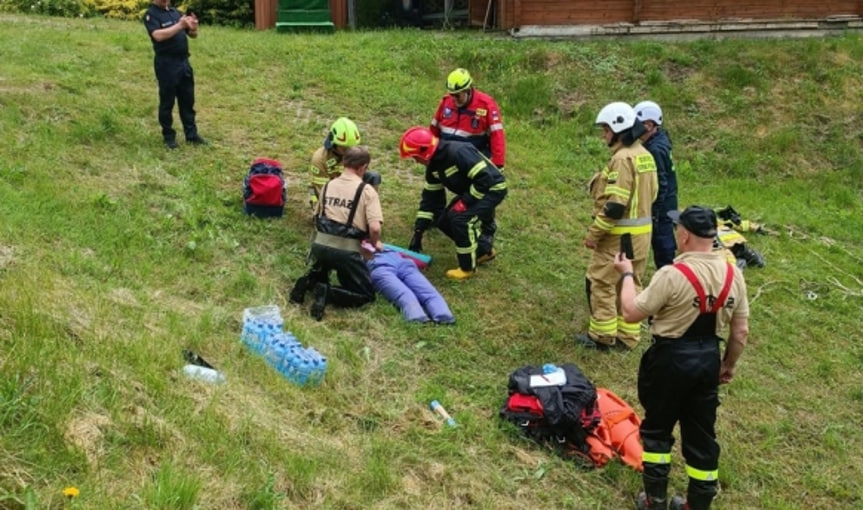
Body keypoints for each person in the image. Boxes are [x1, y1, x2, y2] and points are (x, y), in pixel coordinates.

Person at [614, 205, 749, 510]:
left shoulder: (672, 275)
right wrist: (727, 365)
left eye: (678, 228)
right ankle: (696, 505)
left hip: (669, 360)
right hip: (707, 361)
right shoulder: (733, 274)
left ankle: (654, 500)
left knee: (657, 430)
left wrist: (626, 276)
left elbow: (631, 312)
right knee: (702, 436)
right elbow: (740, 332)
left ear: (685, 235)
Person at [575, 102, 657, 351]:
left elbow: (614, 206)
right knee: (630, 281)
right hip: (642, 235)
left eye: (606, 130)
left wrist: (593, 234)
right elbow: (652, 195)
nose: (604, 135)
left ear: (619, 130)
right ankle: (628, 336)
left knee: (601, 281)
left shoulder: (622, 160)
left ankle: (602, 336)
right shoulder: (645, 156)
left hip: (619, 236)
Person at [399, 126, 507, 280]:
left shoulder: (458, 153)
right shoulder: (433, 167)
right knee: (444, 221)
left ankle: (467, 268)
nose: (416, 161)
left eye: (415, 157)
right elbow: (430, 198)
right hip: (472, 189)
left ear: (425, 151)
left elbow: (485, 179)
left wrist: (465, 202)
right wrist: (419, 230)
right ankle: (484, 251)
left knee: (460, 220)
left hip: (491, 189)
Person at [289, 146, 383, 321]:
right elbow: (375, 228)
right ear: (363, 168)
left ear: (344, 163)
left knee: (325, 269)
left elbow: (317, 215)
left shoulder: (327, 185)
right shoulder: (367, 191)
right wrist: (375, 244)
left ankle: (308, 282)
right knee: (365, 295)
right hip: (346, 252)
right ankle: (327, 292)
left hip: (320, 245)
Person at [430, 68, 506, 262]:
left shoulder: (486, 104)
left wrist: (498, 164)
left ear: (469, 89)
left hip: (475, 159)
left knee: (481, 192)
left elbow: (497, 135)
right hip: (450, 158)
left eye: (458, 95)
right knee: (452, 189)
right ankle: (442, 218)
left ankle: (487, 230)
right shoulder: (445, 102)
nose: (455, 98)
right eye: (452, 94)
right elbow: (434, 128)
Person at [143, 0, 206, 149]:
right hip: (166, 64)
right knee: (167, 102)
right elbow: (157, 35)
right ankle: (169, 137)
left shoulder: (175, 12)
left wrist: (193, 28)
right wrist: (180, 25)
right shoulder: (151, 15)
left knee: (187, 101)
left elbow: (192, 35)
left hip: (184, 63)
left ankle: (191, 135)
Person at [635, 101, 678, 269]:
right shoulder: (657, 141)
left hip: (662, 206)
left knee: (663, 244)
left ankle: (668, 274)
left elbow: (661, 183)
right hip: (665, 203)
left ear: (649, 124)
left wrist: (654, 211)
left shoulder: (656, 149)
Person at [307, 117, 381, 211]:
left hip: (348, 187)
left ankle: (370, 210)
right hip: (330, 193)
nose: (348, 151)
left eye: (351, 147)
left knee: (373, 177)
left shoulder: (355, 153)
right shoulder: (320, 158)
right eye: (344, 148)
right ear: (333, 143)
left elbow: (359, 177)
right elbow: (322, 190)